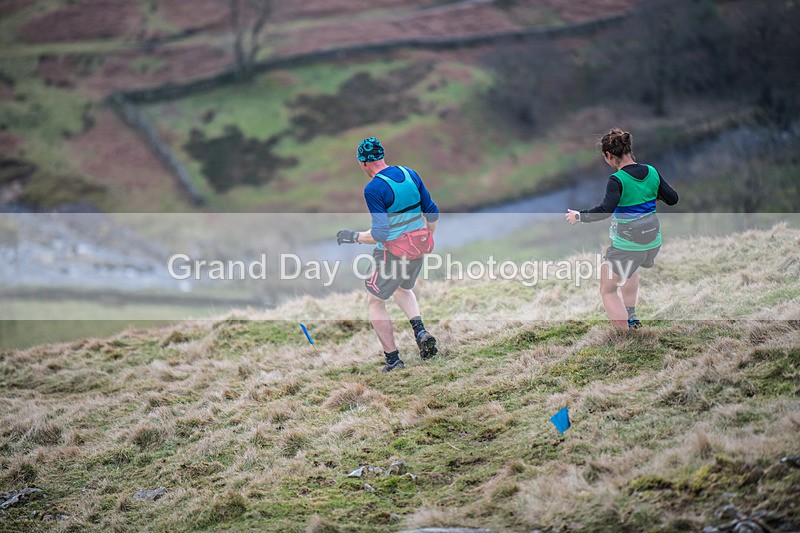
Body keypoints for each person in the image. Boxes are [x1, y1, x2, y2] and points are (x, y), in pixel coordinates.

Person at [336, 137, 439, 371]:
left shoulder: (373, 188)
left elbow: (380, 234)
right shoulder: (409, 173)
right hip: (417, 248)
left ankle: (393, 360)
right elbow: (431, 211)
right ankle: (420, 332)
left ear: (363, 163)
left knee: (375, 301)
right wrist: (427, 237)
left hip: (390, 254)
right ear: (382, 156)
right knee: (403, 287)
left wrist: (353, 237)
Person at [565, 128, 679, 328]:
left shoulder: (617, 180)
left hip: (629, 245)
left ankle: (624, 335)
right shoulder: (651, 171)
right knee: (629, 269)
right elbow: (673, 199)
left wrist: (579, 216)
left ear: (609, 155)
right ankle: (632, 317)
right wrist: (651, 196)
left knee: (607, 289)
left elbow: (605, 210)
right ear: (629, 149)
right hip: (652, 243)